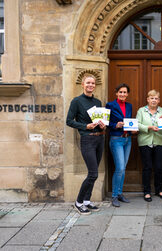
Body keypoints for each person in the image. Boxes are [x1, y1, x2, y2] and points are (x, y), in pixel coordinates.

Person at [66, 75, 106, 215]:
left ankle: (87, 201)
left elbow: (102, 123)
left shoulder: (97, 101)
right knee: (93, 173)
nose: (90, 85)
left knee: (93, 173)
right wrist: (86, 126)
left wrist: (102, 126)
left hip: (99, 139)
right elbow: (69, 121)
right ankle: (79, 202)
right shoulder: (76, 101)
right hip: (87, 139)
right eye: (88, 83)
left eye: (93, 83)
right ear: (83, 84)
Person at [136, 90, 162, 202]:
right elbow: (137, 124)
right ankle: (147, 192)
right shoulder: (141, 111)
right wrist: (149, 128)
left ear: (159, 100)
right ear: (148, 99)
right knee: (147, 167)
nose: (154, 100)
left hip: (159, 141)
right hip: (145, 141)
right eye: (152, 98)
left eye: (156, 98)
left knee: (159, 167)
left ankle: (159, 190)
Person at [106, 83, 133, 207]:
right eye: (120, 92)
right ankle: (114, 196)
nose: (122, 94)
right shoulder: (110, 105)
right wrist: (115, 125)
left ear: (127, 94)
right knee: (120, 168)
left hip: (127, 140)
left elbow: (129, 121)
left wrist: (133, 128)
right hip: (116, 139)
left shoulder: (129, 106)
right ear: (116, 93)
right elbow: (106, 123)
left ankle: (120, 193)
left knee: (123, 168)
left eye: (125, 92)